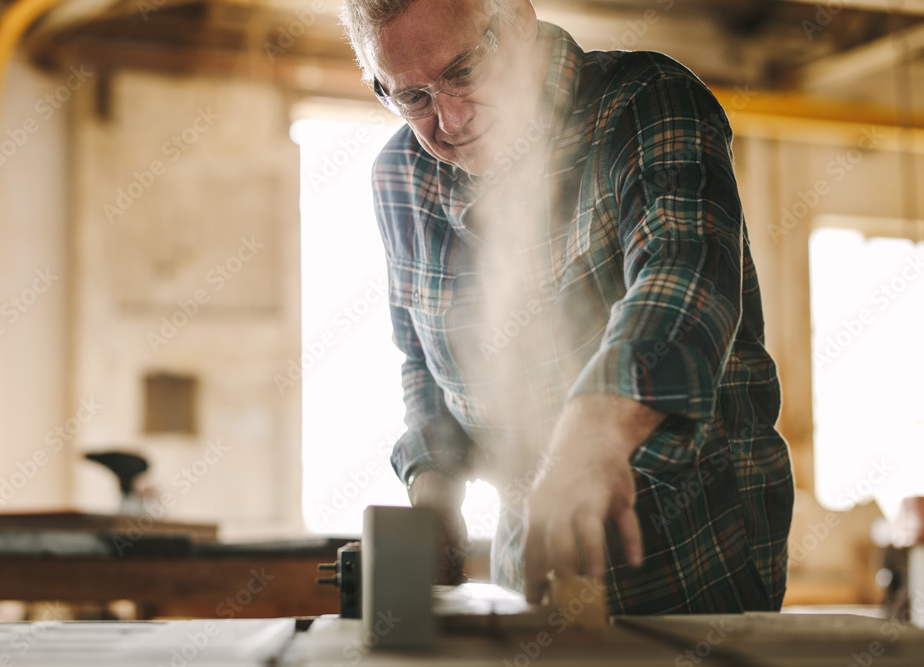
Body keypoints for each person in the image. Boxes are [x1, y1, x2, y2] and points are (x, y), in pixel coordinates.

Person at [339, 0, 795, 613]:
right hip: (528, 569)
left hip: (696, 552)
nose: (448, 120)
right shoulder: (400, 175)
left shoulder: (646, 101)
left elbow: (683, 277)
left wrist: (592, 439)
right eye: (412, 98)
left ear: (519, 21)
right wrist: (435, 491)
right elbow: (422, 358)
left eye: (465, 71)